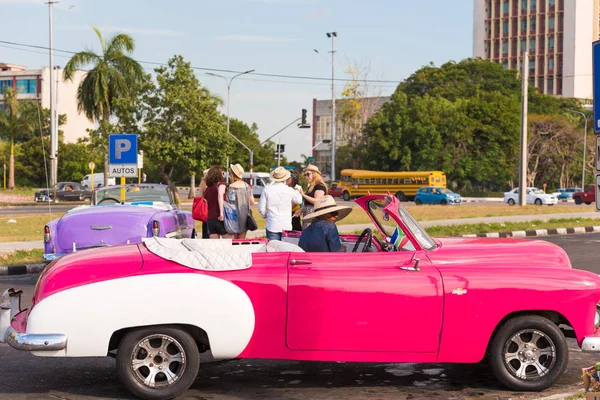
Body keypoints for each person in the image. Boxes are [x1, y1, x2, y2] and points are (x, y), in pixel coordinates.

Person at [258, 167, 303, 241]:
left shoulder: (267, 190)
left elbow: (261, 207)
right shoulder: (289, 190)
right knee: (286, 250)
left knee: (273, 250)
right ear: (285, 178)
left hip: (272, 225)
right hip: (286, 225)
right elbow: (299, 200)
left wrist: (265, 215)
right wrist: (297, 191)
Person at [226, 163, 255, 239]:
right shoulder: (246, 186)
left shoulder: (231, 187)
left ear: (232, 174)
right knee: (241, 241)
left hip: (232, 216)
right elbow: (252, 201)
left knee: (234, 241)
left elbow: (228, 201)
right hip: (244, 216)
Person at [203, 166, 232, 239]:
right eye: (222, 173)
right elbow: (220, 195)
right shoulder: (221, 184)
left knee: (215, 245)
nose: (223, 175)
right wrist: (221, 213)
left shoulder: (208, 188)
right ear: (218, 174)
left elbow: (206, 200)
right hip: (220, 218)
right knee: (228, 243)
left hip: (210, 220)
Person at [295, 164, 327, 230]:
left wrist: (303, 194)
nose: (306, 177)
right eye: (305, 175)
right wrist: (301, 210)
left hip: (314, 218)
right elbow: (308, 203)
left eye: (308, 174)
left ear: (314, 174)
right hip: (308, 218)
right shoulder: (311, 186)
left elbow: (317, 201)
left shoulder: (320, 186)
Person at [198, 168, 210, 239]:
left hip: (207, 206)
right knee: (206, 222)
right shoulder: (204, 183)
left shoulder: (205, 182)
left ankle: (206, 236)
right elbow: (202, 195)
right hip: (207, 206)